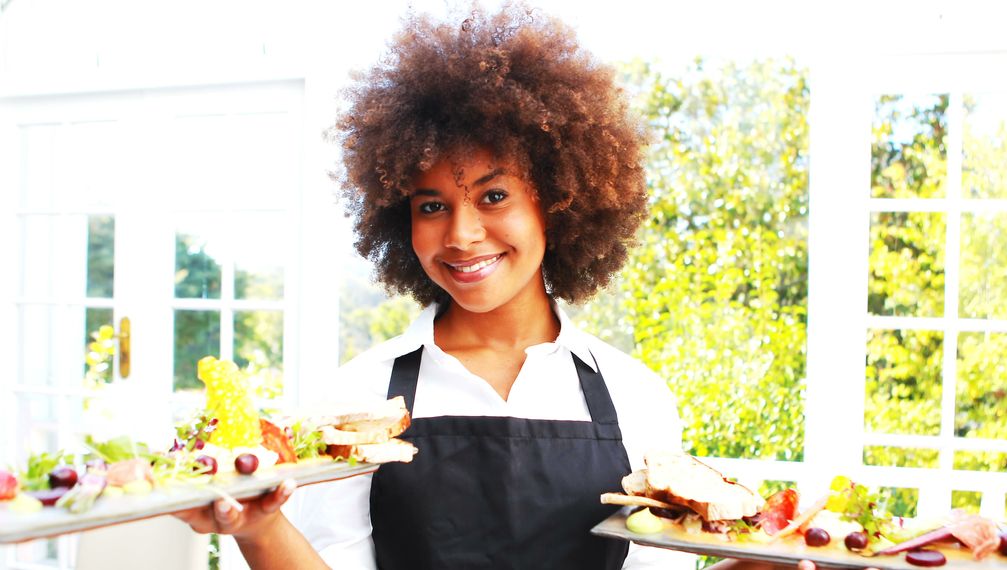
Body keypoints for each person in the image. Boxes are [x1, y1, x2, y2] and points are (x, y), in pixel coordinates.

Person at [178, 3, 695, 568]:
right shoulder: (358, 399)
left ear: (557, 204)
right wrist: (259, 530)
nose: (462, 234)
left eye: (494, 196)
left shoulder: (636, 396)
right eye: (432, 206)